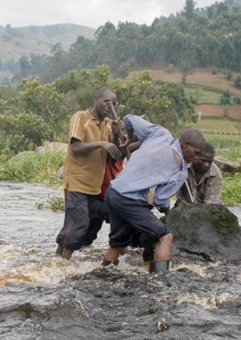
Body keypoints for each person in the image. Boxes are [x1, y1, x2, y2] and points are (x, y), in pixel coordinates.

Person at [102, 117, 205, 272]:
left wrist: (130, 139)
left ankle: (101, 273)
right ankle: (160, 281)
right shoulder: (179, 171)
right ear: (185, 145)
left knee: (117, 244)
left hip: (113, 193)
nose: (196, 157)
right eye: (195, 152)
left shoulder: (160, 133)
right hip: (129, 201)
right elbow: (159, 200)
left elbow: (129, 119)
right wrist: (165, 207)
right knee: (165, 237)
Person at [56, 87, 122, 259]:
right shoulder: (81, 117)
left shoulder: (108, 125)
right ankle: (62, 265)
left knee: (79, 223)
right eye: (106, 101)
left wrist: (115, 136)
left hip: (95, 186)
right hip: (77, 182)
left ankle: (56, 260)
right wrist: (101, 143)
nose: (109, 106)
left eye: (113, 103)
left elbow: (113, 155)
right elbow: (76, 147)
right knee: (78, 223)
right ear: (96, 99)